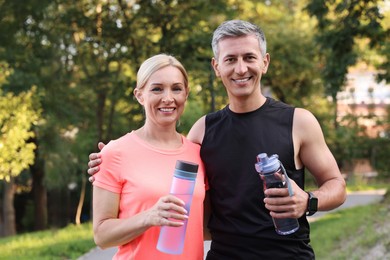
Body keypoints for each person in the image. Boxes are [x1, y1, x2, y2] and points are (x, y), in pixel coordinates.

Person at [88, 20, 347, 259]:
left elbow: (337, 185)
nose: (241, 68)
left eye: (249, 57)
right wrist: (110, 161)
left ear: (265, 62)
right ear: (217, 67)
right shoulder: (202, 131)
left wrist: (309, 201)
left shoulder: (298, 121)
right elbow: (165, 165)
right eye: (230, 59)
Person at [91, 54, 206, 260]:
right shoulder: (115, 152)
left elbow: (205, 226)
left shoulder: (198, 154)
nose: (168, 98)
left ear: (186, 94)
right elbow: (101, 236)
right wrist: (148, 217)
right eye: (157, 89)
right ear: (139, 95)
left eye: (176, 88)